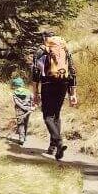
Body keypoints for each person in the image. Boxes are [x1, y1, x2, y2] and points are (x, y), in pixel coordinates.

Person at [31, 31, 78, 160]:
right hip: (63, 84)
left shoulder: (41, 51)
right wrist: (73, 93)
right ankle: (54, 149)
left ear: (44, 39)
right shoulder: (64, 49)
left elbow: (35, 73)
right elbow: (72, 71)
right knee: (56, 114)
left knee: (47, 116)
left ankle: (58, 142)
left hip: (48, 84)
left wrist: (35, 93)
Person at [10, 77, 33, 145]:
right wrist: (30, 107)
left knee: (20, 123)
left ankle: (21, 138)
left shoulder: (15, 93)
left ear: (15, 85)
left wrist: (22, 107)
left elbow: (16, 102)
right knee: (26, 123)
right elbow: (32, 99)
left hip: (19, 110)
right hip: (28, 109)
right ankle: (24, 137)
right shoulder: (28, 91)